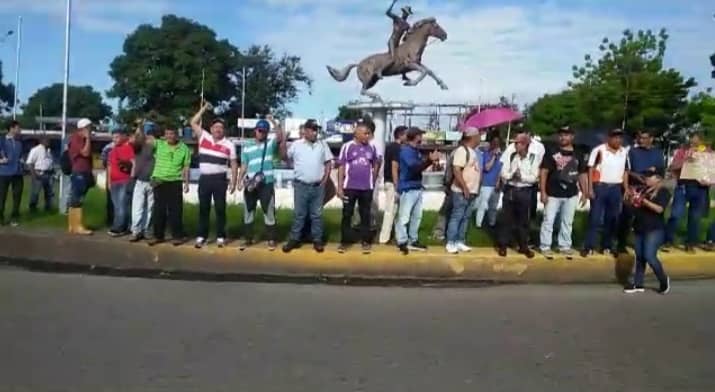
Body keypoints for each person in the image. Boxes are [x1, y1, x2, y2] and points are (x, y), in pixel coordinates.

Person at [190, 103, 239, 249]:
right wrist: (204, 109)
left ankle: (220, 236)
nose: (218, 129)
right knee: (203, 209)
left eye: (220, 127)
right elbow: (192, 122)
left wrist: (234, 181)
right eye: (215, 127)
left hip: (220, 180)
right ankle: (201, 236)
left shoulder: (229, 145)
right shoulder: (204, 137)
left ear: (224, 130)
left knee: (220, 209)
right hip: (204, 179)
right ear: (211, 129)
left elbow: (234, 164)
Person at [281, 119, 334, 253]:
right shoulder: (296, 144)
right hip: (301, 185)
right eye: (313, 130)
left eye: (316, 130)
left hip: (318, 186)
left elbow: (328, 162)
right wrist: (282, 142)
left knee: (317, 215)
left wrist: (325, 178)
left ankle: (317, 240)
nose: (315, 132)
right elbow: (284, 157)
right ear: (306, 131)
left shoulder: (323, 144)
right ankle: (294, 239)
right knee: (299, 214)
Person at [538, 126, 589, 260]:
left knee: (567, 221)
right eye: (561, 135)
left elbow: (582, 174)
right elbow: (544, 172)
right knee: (548, 220)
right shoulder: (551, 151)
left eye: (566, 135)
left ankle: (564, 246)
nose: (563, 137)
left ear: (572, 136)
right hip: (553, 193)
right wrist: (543, 192)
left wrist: (585, 192)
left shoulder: (578, 153)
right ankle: (545, 246)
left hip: (571, 193)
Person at [238, 117, 284, 251]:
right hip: (251, 183)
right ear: (255, 131)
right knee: (248, 211)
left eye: (264, 131)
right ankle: (247, 239)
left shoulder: (270, 144)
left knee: (269, 212)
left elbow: (280, 136)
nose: (261, 133)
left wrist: (274, 122)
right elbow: (244, 165)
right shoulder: (247, 146)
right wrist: (240, 181)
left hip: (266, 183)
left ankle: (271, 239)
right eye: (259, 130)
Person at [581, 129, 629, 257]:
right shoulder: (599, 150)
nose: (618, 140)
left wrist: (626, 188)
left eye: (620, 137)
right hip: (600, 186)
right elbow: (590, 169)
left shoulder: (624, 152)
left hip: (616, 188)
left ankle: (606, 245)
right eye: (615, 137)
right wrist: (590, 188)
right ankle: (589, 246)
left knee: (612, 219)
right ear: (609, 138)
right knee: (595, 218)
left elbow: (625, 171)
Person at [337, 119, 381, 254]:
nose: (368, 136)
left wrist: (373, 178)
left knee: (365, 215)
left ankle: (366, 241)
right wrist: (339, 187)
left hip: (366, 188)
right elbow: (341, 166)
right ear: (357, 134)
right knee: (347, 214)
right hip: (350, 187)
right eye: (365, 134)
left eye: (369, 134)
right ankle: (345, 241)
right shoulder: (347, 146)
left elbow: (377, 162)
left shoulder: (372, 147)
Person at [623, 170, 671, 295]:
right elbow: (635, 207)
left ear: (658, 179)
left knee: (649, 256)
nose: (647, 179)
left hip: (654, 229)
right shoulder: (643, 190)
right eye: (646, 177)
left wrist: (643, 201)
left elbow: (659, 209)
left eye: (650, 177)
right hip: (640, 227)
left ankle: (663, 279)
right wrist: (631, 199)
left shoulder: (663, 192)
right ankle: (638, 284)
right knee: (639, 257)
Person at [617, 129, 664, 254]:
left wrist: (657, 184)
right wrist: (634, 179)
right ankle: (621, 245)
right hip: (635, 187)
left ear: (651, 139)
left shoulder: (658, 153)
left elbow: (661, 173)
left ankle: (648, 243)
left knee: (648, 217)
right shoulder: (632, 152)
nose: (641, 140)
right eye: (639, 138)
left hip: (651, 190)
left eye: (644, 138)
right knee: (627, 217)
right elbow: (627, 170)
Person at [395, 127, 440, 255]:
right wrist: (429, 161)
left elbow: (420, 167)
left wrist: (429, 162)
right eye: (421, 135)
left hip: (417, 187)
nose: (422, 137)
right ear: (416, 136)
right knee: (404, 217)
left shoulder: (416, 151)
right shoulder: (406, 151)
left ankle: (412, 240)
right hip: (408, 188)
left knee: (416, 216)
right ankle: (402, 241)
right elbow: (414, 168)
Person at [496, 132, 540, 258]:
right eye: (515, 142)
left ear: (525, 144)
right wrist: (511, 175)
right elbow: (503, 172)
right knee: (506, 219)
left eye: (518, 143)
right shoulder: (511, 156)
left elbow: (534, 177)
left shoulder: (533, 157)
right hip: (510, 189)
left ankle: (523, 246)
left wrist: (522, 177)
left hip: (524, 191)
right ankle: (503, 245)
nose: (515, 145)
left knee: (523, 221)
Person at [664, 133, 711, 252]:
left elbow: (711, 171)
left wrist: (709, 180)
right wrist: (685, 160)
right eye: (691, 141)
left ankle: (691, 242)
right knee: (675, 215)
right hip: (683, 187)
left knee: (695, 218)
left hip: (700, 189)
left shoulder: (707, 153)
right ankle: (667, 240)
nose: (693, 143)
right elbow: (672, 167)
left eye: (696, 142)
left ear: (701, 142)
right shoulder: (682, 151)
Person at [147, 127, 192, 247]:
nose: (169, 136)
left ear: (176, 135)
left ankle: (177, 236)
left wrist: (186, 183)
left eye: (171, 133)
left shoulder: (184, 148)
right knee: (158, 210)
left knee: (176, 211)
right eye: (167, 133)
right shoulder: (159, 144)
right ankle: (158, 236)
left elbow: (186, 167)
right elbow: (144, 140)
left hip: (175, 181)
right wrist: (140, 127)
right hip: (159, 181)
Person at [445, 128, 482, 254]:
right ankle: (451, 241)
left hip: (472, 191)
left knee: (466, 217)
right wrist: (464, 187)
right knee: (457, 216)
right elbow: (456, 170)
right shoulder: (462, 151)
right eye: (478, 136)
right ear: (472, 137)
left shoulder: (474, 152)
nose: (480, 138)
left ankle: (460, 241)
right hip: (461, 191)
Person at [378, 126, 407, 244]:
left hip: (390, 181)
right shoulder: (396, 148)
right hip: (392, 183)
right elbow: (394, 166)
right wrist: (397, 184)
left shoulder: (390, 147)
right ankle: (384, 238)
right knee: (390, 211)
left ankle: (392, 235)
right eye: (406, 134)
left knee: (394, 211)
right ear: (400, 135)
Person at [129, 122, 156, 242]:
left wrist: (153, 138)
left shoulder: (157, 145)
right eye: (147, 132)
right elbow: (136, 139)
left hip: (153, 181)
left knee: (150, 208)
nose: (149, 135)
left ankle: (147, 230)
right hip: (140, 180)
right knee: (138, 207)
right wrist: (139, 126)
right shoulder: (138, 145)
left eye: (150, 132)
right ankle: (136, 231)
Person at [67, 118, 94, 235]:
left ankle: (73, 225)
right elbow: (86, 152)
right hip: (79, 171)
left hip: (84, 171)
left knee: (77, 198)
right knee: (77, 199)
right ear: (83, 128)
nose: (91, 130)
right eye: (89, 128)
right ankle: (76, 226)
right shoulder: (76, 138)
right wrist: (88, 138)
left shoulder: (79, 138)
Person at [107, 127, 135, 236]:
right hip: (114, 181)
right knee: (117, 205)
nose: (115, 139)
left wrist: (131, 177)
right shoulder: (112, 150)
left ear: (124, 137)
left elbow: (133, 163)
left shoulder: (128, 148)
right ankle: (121, 225)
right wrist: (109, 181)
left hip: (124, 180)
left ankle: (119, 227)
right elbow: (109, 166)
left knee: (123, 204)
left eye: (117, 137)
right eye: (113, 137)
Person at [474, 133, 502, 228]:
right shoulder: (485, 154)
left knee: (493, 206)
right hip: (486, 184)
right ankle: (478, 223)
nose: (496, 144)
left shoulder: (501, 156)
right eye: (494, 142)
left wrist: (498, 181)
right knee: (483, 204)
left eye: (498, 143)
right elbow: (487, 168)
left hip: (496, 184)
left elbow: (501, 170)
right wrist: (493, 156)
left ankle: (492, 223)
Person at [380, 0, 413, 79]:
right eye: (406, 13)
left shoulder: (407, 25)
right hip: (392, 41)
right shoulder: (396, 18)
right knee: (393, 59)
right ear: (403, 13)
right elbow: (387, 12)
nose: (407, 15)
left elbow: (406, 37)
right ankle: (380, 71)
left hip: (397, 43)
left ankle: (403, 75)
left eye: (407, 14)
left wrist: (408, 36)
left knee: (404, 58)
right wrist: (393, 3)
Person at [0, 120, 24, 227]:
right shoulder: (2, 141)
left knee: (17, 196)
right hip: (4, 173)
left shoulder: (19, 142)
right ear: (12, 128)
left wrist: (22, 160)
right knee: (2, 197)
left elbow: (20, 156)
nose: (19, 130)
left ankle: (14, 217)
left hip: (17, 173)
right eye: (18, 128)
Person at [26, 137, 55, 213]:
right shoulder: (35, 150)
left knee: (49, 193)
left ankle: (48, 208)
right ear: (41, 141)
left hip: (49, 174)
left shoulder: (49, 151)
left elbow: (50, 162)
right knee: (35, 193)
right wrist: (34, 175)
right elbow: (29, 163)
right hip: (39, 173)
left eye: (49, 140)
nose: (49, 142)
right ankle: (32, 208)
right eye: (47, 140)